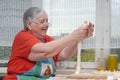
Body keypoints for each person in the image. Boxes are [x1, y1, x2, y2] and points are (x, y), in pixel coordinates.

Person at [3, 7, 94, 80]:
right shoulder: (22, 37)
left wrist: (80, 38)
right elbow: (45, 52)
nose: (46, 25)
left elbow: (64, 54)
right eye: (42, 21)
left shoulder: (46, 39)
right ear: (29, 25)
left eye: (47, 21)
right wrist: (74, 35)